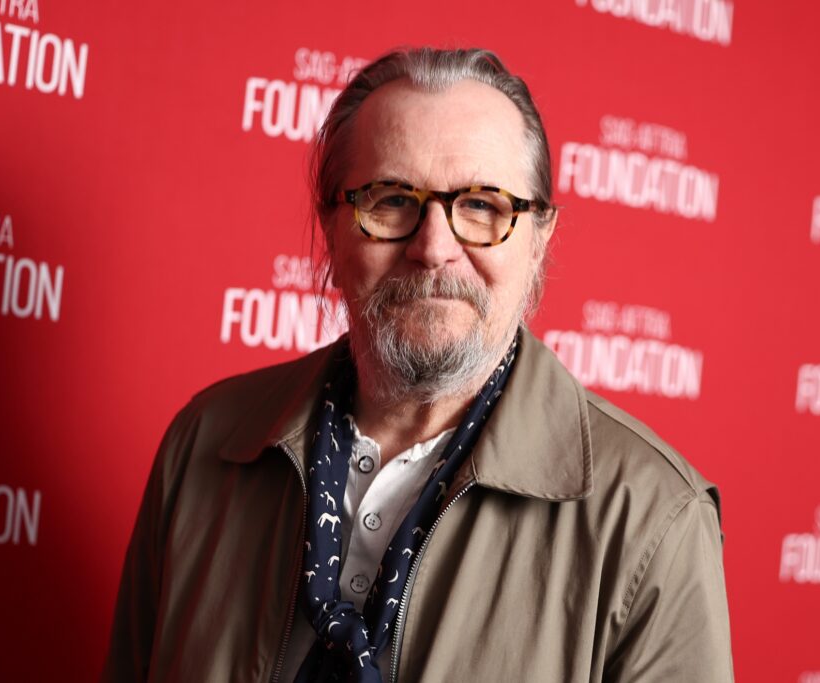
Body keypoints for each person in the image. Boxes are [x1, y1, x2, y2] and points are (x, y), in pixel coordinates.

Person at [102, 47, 734, 682]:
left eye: (482, 206)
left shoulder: (655, 521)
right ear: (331, 230)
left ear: (539, 240)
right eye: (392, 200)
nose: (434, 248)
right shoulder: (204, 445)